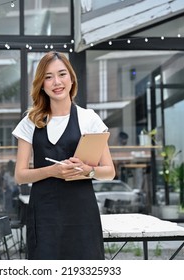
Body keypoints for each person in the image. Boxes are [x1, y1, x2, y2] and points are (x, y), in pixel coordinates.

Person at [12, 51, 116, 260]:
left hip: (81, 214)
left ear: (71, 78)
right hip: (44, 215)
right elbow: (20, 175)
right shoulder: (31, 121)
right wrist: (53, 171)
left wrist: (88, 170)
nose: (56, 82)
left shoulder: (89, 118)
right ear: (41, 84)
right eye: (48, 77)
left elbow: (109, 172)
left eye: (62, 74)